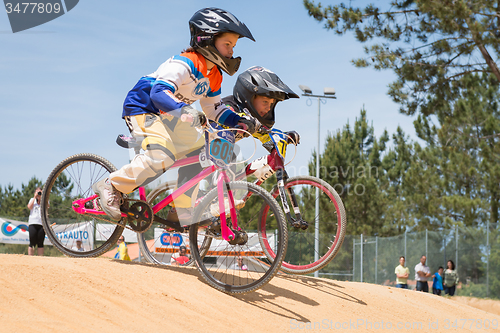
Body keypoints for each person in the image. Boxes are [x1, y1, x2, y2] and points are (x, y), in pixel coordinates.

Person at [91, 7, 255, 223]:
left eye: (233, 46)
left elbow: (213, 109)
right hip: (143, 107)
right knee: (162, 154)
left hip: (171, 116)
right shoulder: (185, 63)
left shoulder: (214, 75)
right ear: (207, 39)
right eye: (227, 44)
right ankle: (111, 185)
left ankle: (181, 209)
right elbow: (158, 93)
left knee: (200, 153)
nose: (232, 52)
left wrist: (239, 121)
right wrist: (186, 111)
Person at [27, 187, 45, 256]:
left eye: (40, 192)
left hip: (42, 224)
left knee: (40, 242)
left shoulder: (45, 200)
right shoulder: (32, 200)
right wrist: (35, 197)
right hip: (33, 223)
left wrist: (42, 198)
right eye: (37, 192)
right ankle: (30, 257)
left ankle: (40, 258)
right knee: (32, 242)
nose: (39, 194)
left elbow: (47, 206)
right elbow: (29, 207)